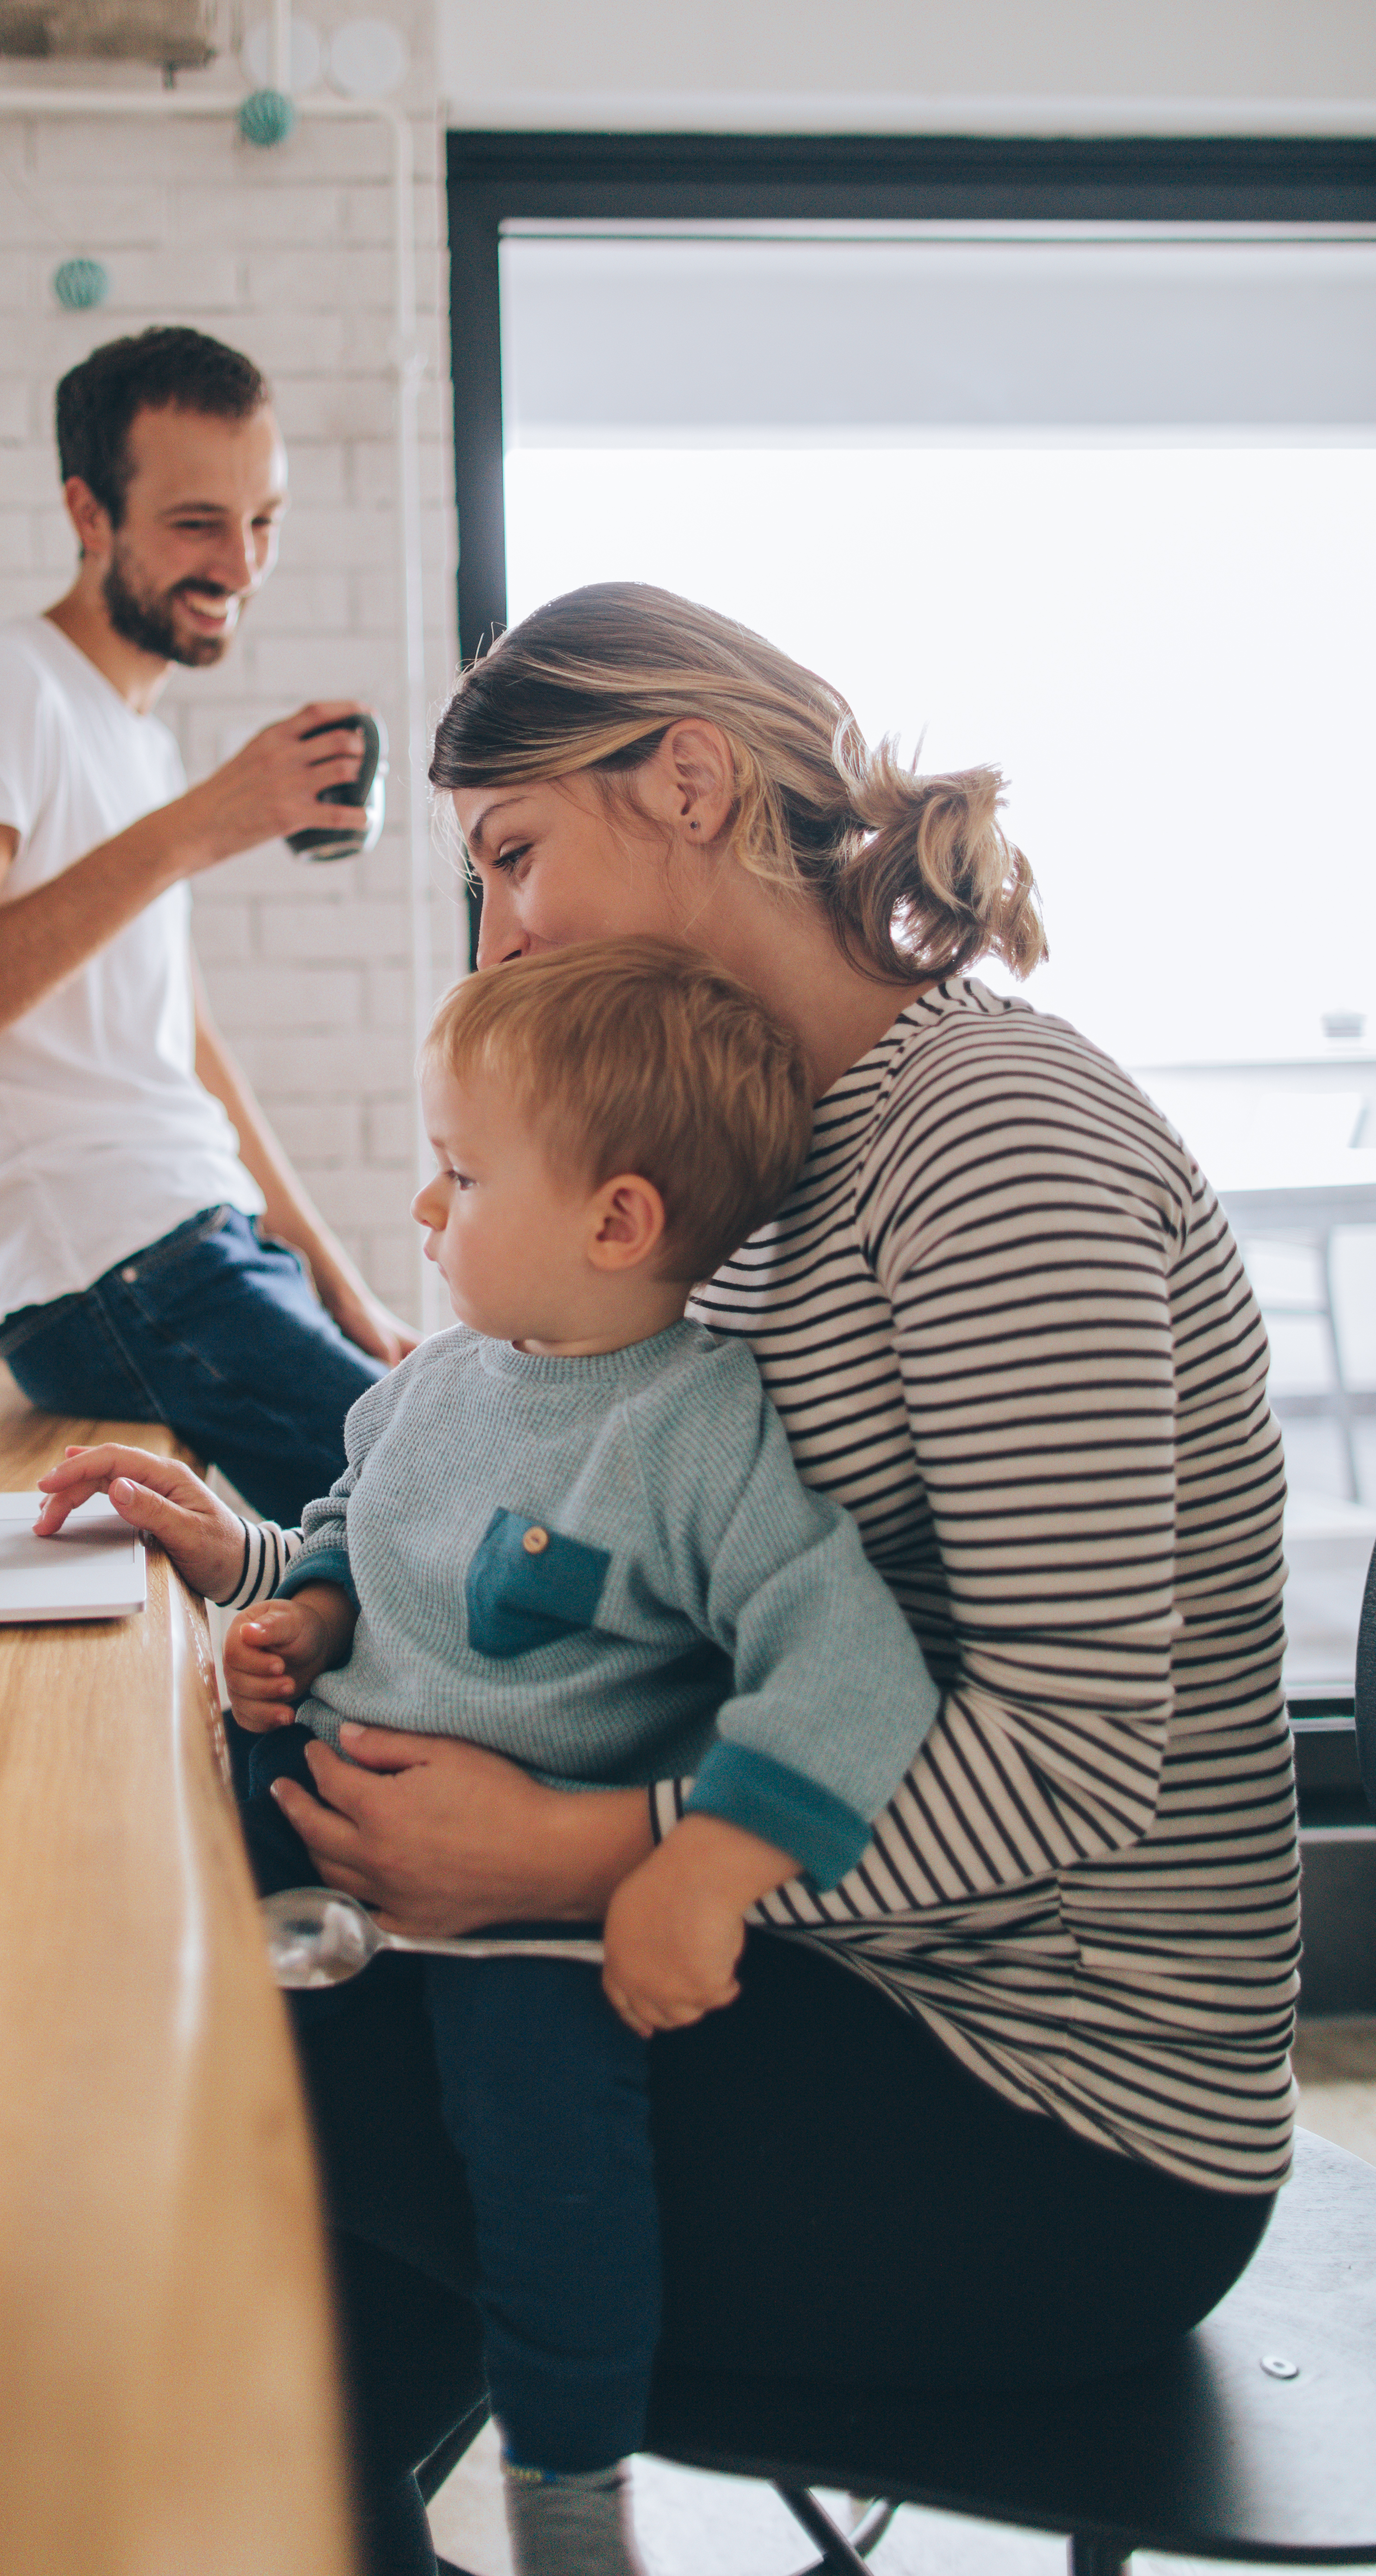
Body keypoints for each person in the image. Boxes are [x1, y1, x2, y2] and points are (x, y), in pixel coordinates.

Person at [40, 582, 1302, 2576]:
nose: (504, 931)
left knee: (176, 2031)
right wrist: (283, 1566)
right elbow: (597, 1575)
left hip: (1056, 2131)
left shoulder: (993, 1147)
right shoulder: (770, 1175)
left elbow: (1074, 1773)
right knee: (235, 1959)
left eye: (514, 855)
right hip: (846, 1974)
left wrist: (582, 1852)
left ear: (690, 780)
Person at [233, 939, 938, 2576]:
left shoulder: (692, 1432)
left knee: (551, 2180)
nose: (424, 1210)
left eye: (461, 1175)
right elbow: (353, 1526)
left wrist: (704, 1869)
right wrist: (314, 1610)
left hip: (524, 1930)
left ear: (618, 1222)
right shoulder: (441, 1383)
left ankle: (567, 2500)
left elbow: (851, 1666)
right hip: (316, 1833)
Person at [0, 326, 414, 1524]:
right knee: (443, 1513)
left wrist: (334, 1276)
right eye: (198, 523)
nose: (244, 565)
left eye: (266, 521)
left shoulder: (140, 741)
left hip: (202, 1244)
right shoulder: (0, 684)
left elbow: (180, 1051)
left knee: (436, 1481)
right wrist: (203, 827)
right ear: (88, 514)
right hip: (109, 1263)